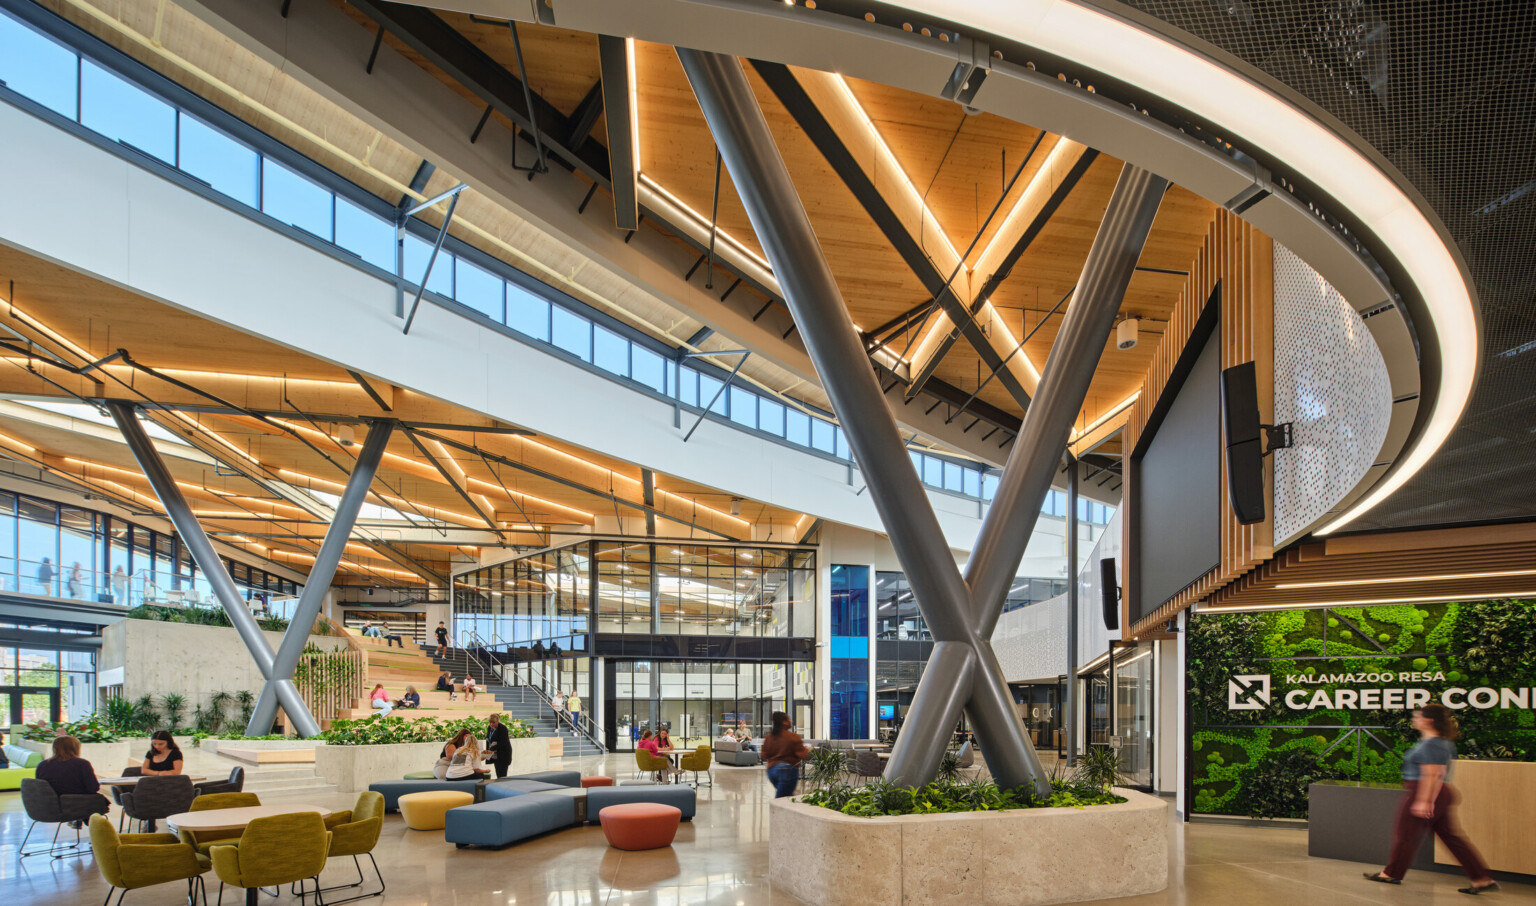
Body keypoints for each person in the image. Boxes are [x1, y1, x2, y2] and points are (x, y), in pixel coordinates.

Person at [1366, 704, 1497, 893]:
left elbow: (1433, 774)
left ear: (1429, 720)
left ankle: (1391, 874)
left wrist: (1424, 801)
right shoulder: (1440, 742)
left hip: (1424, 791)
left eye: (1417, 716)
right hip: (1437, 792)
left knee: (1405, 835)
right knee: (1451, 838)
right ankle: (1481, 879)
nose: (1414, 719)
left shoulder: (1433, 743)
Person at [35, 736, 109, 827]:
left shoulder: (42, 765)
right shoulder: (82, 764)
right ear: (76, 748)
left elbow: (40, 789)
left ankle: (77, 819)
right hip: (74, 805)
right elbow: (93, 788)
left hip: (48, 807)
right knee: (97, 800)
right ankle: (92, 829)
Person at [761, 711, 809, 799]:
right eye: (789, 719)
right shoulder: (793, 737)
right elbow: (802, 755)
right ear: (784, 722)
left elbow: (764, 754)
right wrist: (806, 749)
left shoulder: (769, 737)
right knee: (781, 800)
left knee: (787, 796)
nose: (791, 721)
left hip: (771, 771)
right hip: (787, 771)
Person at [484, 713, 513, 779]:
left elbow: (502, 742)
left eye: (493, 722)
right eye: (490, 722)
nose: (491, 724)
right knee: (498, 773)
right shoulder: (489, 728)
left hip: (503, 754)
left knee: (502, 775)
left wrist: (491, 749)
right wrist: (487, 753)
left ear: (497, 721)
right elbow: (488, 740)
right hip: (495, 755)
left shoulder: (503, 728)